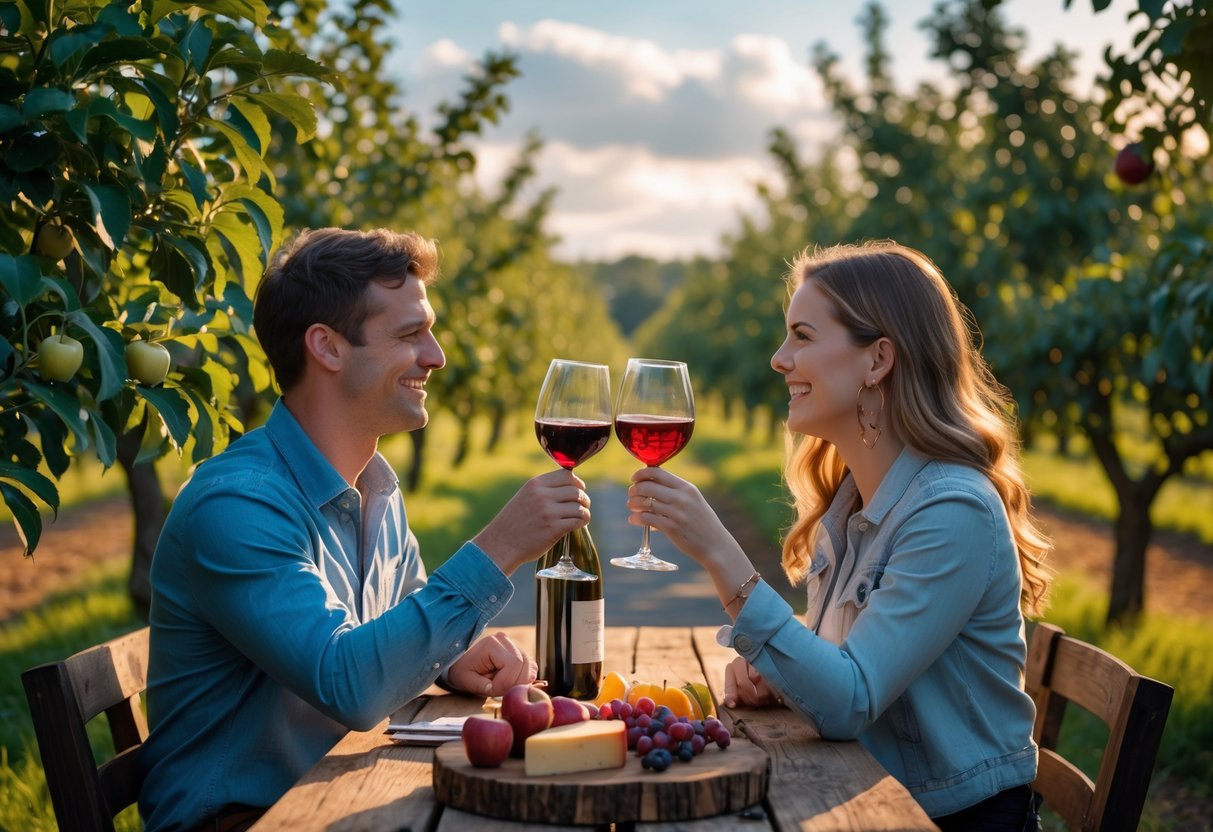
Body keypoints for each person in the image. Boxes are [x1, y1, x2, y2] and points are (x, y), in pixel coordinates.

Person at [138, 228, 590, 832]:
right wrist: (501, 545)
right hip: (245, 819)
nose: (437, 356)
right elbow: (347, 682)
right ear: (326, 347)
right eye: (410, 334)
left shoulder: (375, 485)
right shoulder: (237, 507)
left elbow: (387, 626)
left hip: (329, 796)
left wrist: (446, 659)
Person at [626, 241, 1051, 830]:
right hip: (880, 802)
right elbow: (847, 673)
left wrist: (721, 555)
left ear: (877, 360)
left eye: (802, 335)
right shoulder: (854, 500)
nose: (779, 359)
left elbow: (850, 700)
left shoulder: (952, 511)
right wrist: (783, 677)